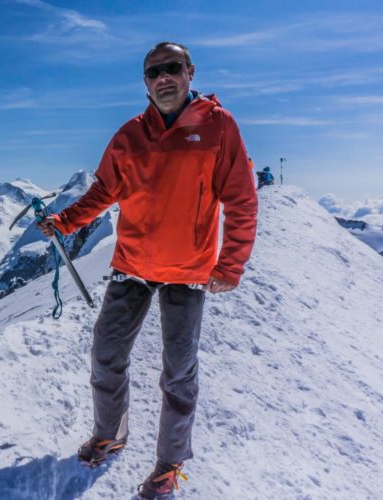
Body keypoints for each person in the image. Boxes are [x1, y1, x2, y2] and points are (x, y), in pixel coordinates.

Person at [37, 41, 258, 499]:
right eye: (153, 72)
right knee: (106, 353)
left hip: (188, 270)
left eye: (171, 68)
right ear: (145, 81)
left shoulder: (219, 128)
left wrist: (230, 264)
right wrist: (64, 221)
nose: (163, 78)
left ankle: (169, 464)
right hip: (132, 265)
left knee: (178, 372)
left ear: (190, 72)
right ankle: (110, 432)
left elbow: (241, 199)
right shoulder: (128, 135)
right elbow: (102, 193)